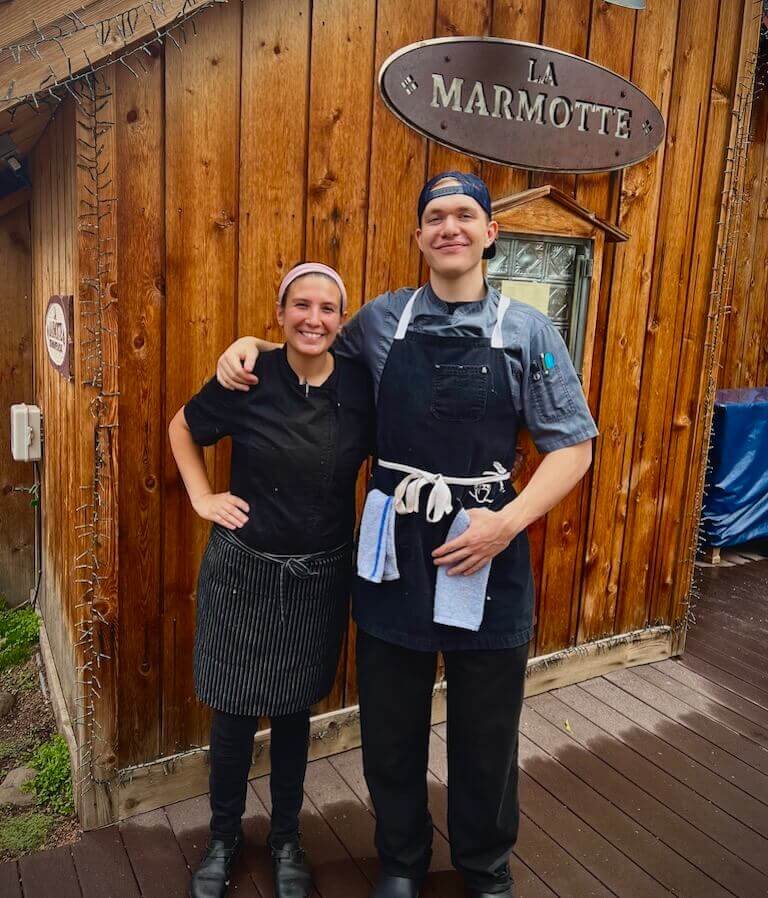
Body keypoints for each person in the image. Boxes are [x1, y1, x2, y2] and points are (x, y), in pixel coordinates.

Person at [215, 172, 597, 898]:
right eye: (434, 216)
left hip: (487, 543)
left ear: (490, 233)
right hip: (394, 549)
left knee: (487, 729)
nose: (449, 226)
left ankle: (486, 867)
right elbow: (311, 351)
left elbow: (572, 446)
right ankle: (401, 859)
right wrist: (246, 345)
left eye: (464, 214)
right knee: (391, 724)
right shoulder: (382, 320)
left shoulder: (528, 331)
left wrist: (505, 524)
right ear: (420, 237)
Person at [168, 262, 375, 898]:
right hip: (244, 570)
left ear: (342, 320)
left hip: (318, 575)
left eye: (327, 309)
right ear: (280, 312)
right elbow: (183, 427)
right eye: (301, 306)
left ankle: (287, 837)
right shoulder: (249, 377)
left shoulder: (363, 386)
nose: (314, 319)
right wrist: (203, 498)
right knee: (232, 713)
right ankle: (223, 838)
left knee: (291, 713)